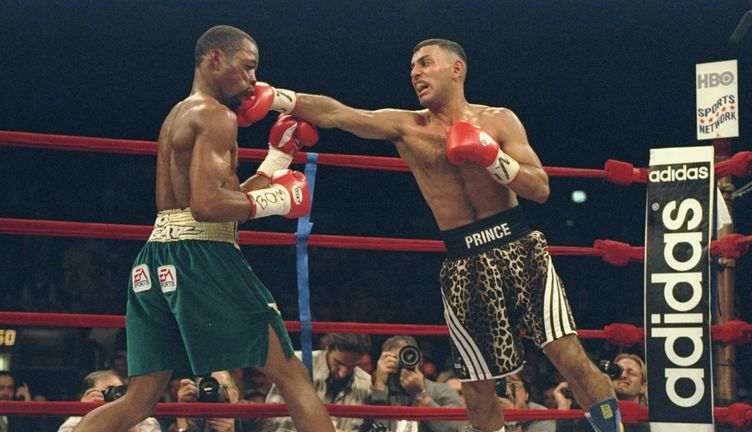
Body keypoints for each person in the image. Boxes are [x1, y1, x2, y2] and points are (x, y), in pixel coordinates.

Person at [236, 38, 623, 432]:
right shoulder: (407, 125)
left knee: (570, 356)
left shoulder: (498, 120)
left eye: (424, 63)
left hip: (518, 248)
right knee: (477, 389)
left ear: (457, 70)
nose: (415, 73)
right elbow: (338, 113)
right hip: (464, 263)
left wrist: (493, 158)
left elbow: (539, 188)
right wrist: (281, 99)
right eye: (411, 69)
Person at [71, 25, 335, 432]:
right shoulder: (216, 115)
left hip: (157, 256)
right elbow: (208, 205)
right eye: (248, 67)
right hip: (201, 257)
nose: (253, 81)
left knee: (139, 400)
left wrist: (276, 161)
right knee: (292, 374)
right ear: (215, 58)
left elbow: (210, 199)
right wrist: (280, 200)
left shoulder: (179, 113)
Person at [263, 333, 373, 432]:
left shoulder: (365, 382)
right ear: (328, 348)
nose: (343, 373)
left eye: (352, 366)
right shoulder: (296, 364)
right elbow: (274, 420)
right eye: (338, 363)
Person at [368, 336, 462, 432]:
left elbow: (452, 429)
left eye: (406, 355)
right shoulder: (375, 392)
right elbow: (374, 428)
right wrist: (379, 384)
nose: (402, 362)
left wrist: (421, 395)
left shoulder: (441, 390)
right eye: (395, 358)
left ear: (419, 358)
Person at [59, 369, 161, 432]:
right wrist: (85, 415)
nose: (114, 398)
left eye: (118, 392)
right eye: (106, 393)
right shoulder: (74, 422)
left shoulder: (145, 420)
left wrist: (129, 424)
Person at [174, 370, 259, 432]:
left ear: (235, 393)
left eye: (222, 388)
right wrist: (181, 412)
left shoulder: (253, 414)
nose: (213, 394)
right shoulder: (195, 417)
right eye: (208, 388)